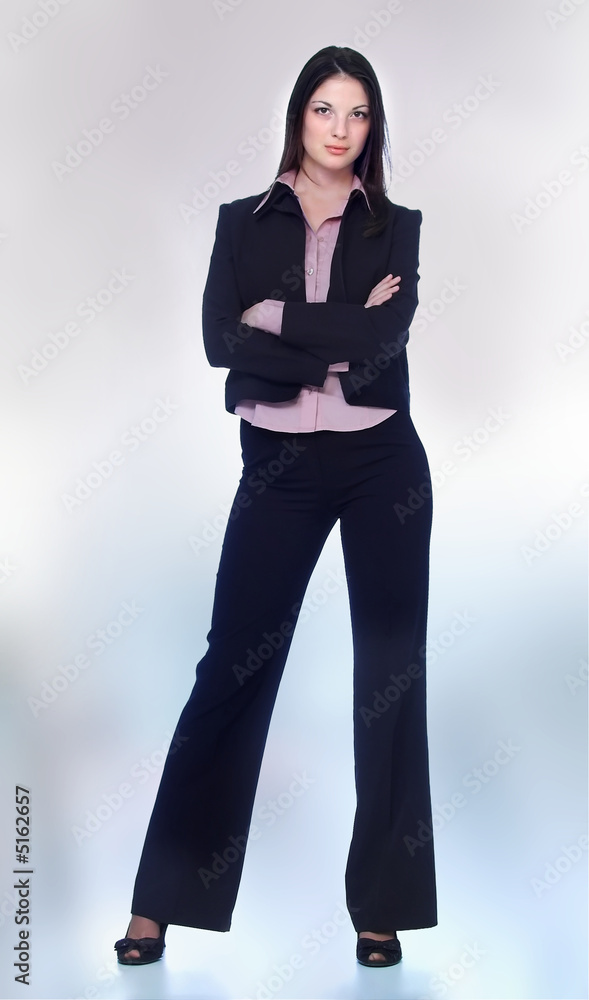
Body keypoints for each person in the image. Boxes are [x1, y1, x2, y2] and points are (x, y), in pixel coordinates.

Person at [114, 44, 437, 971]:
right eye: (325, 109)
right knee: (231, 667)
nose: (341, 129)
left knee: (389, 674)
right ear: (298, 116)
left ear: (373, 128)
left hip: (381, 462)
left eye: (358, 113)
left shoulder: (396, 227)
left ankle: (382, 909)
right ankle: (158, 902)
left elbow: (381, 341)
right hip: (279, 466)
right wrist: (325, 331)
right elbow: (221, 341)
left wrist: (277, 319)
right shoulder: (241, 223)